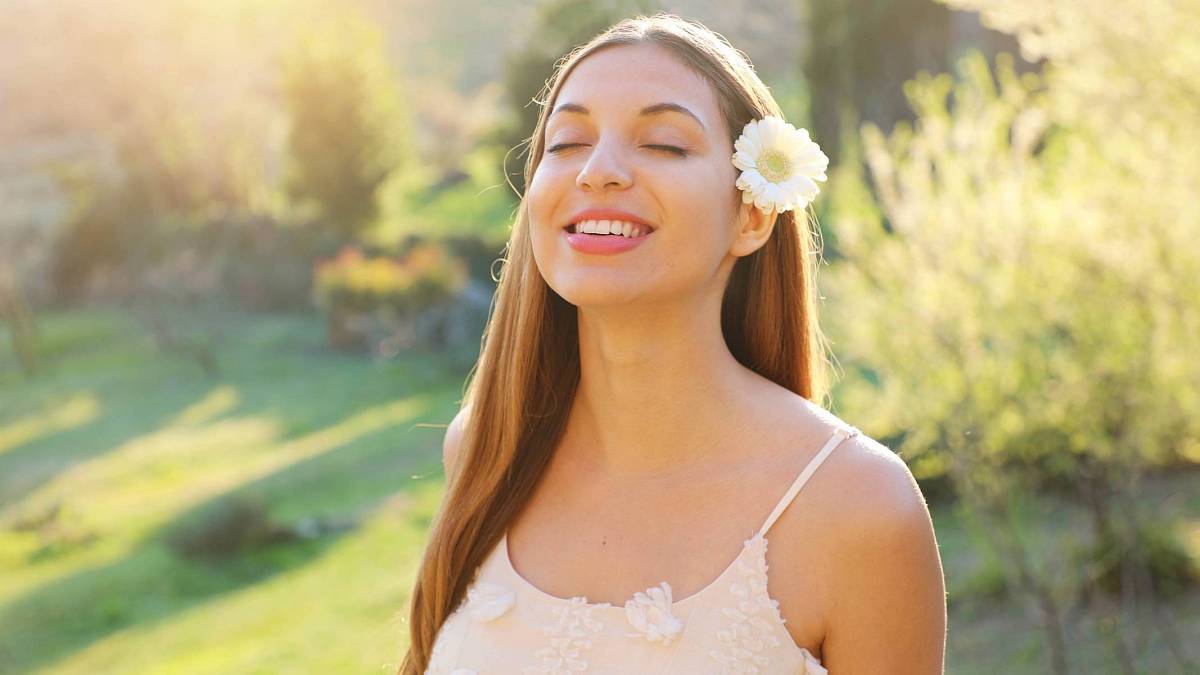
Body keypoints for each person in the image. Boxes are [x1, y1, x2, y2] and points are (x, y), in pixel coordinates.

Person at [399, 12, 946, 675]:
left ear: (751, 215)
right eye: (567, 141)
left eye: (661, 144)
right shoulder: (487, 448)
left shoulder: (858, 509)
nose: (598, 172)